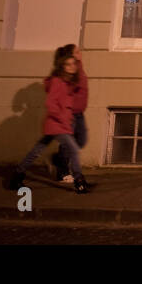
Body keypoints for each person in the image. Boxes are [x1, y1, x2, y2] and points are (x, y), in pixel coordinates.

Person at [8, 47, 91, 194]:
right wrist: (64, 120)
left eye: (74, 63)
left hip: (59, 124)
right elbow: (51, 104)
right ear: (61, 66)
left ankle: (17, 175)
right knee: (73, 149)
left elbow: (81, 84)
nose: (73, 66)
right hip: (58, 125)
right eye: (69, 64)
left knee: (37, 150)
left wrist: (79, 62)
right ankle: (79, 181)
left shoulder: (68, 81)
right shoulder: (58, 82)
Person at [50, 44, 88, 182]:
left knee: (81, 140)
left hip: (79, 112)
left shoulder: (79, 67)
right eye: (77, 51)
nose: (80, 53)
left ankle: (57, 159)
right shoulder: (69, 70)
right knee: (68, 144)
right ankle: (63, 173)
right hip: (69, 113)